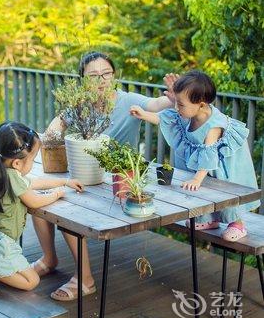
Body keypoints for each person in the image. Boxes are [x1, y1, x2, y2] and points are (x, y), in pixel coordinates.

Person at [32, 51, 175, 301]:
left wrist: (173, 96)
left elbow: (156, 104)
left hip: (121, 180)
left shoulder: (128, 99)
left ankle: (84, 280)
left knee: (65, 209)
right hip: (89, 175)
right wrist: (48, 138)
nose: (101, 79)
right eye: (93, 75)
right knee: (38, 193)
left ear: (114, 75)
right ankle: (48, 258)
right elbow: (57, 125)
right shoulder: (81, 104)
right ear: (83, 80)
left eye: (106, 73)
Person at [130, 70, 260, 242]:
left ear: (201, 104)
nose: (177, 107)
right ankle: (208, 220)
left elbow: (208, 155)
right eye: (176, 102)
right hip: (205, 162)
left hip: (221, 163)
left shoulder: (213, 126)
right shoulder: (187, 113)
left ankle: (237, 223)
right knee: (205, 188)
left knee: (223, 189)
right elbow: (167, 119)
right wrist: (143, 114)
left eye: (181, 104)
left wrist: (197, 179)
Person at [0, 122, 84, 295]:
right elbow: (33, 201)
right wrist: (57, 194)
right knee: (31, 281)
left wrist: (65, 181)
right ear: (17, 163)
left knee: (24, 273)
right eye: (33, 160)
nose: (33, 164)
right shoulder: (13, 177)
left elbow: (34, 184)